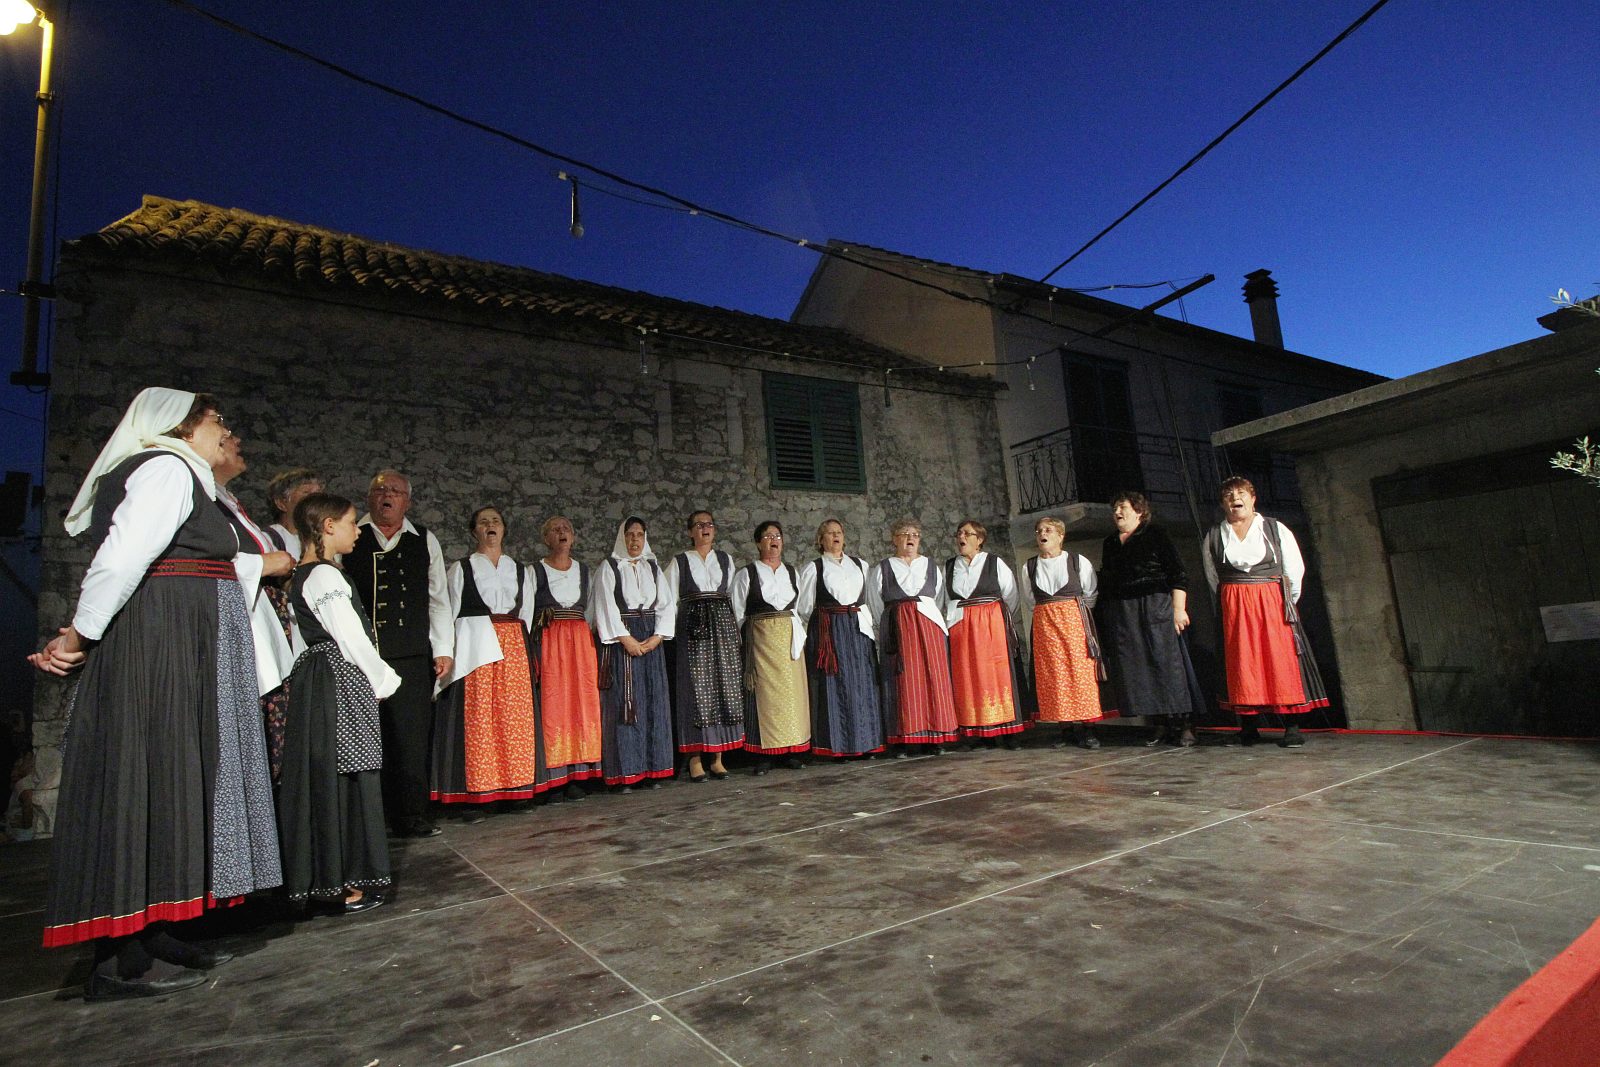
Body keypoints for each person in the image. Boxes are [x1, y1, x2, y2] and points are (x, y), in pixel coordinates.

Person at [29, 388, 280, 1001]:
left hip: (184, 636)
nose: (223, 430)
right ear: (182, 424)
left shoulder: (185, 474)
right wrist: (83, 633)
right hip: (160, 640)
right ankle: (119, 958)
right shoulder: (166, 468)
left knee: (173, 774)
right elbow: (122, 557)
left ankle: (154, 926)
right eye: (216, 420)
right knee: (143, 772)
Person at [282, 492, 401, 912]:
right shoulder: (324, 577)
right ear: (328, 526)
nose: (357, 530)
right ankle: (342, 882)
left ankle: (336, 878)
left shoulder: (311, 574)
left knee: (339, 773)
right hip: (338, 678)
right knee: (345, 775)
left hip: (322, 677)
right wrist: (383, 678)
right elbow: (350, 637)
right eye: (352, 523)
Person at [344, 469, 454, 838]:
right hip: (363, 658)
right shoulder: (352, 537)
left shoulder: (424, 539)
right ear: (369, 497)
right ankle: (372, 820)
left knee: (410, 738)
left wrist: (443, 649)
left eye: (394, 491)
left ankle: (412, 815)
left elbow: (439, 599)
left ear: (407, 499)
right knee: (369, 739)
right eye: (379, 490)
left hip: (410, 655)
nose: (386, 496)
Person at [431, 507, 544, 820]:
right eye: (483, 522)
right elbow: (448, 614)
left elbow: (528, 613)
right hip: (476, 645)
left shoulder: (521, 571)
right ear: (474, 531)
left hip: (513, 646)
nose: (490, 526)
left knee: (514, 719)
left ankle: (516, 788)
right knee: (481, 719)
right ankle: (481, 793)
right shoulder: (462, 569)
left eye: (495, 521)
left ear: (504, 529)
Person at [1203, 476, 1329, 748]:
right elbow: (1212, 577)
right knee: (1242, 663)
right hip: (1235, 605)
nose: (1235, 498)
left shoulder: (1274, 529)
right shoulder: (1214, 535)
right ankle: (1249, 728)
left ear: (1252, 497)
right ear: (1223, 503)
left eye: (1241, 493)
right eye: (1228, 494)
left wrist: (1286, 602)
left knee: (1278, 659)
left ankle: (1292, 727)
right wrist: (1229, 603)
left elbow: (1294, 568)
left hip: (1271, 602)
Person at [212, 431, 297, 780]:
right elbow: (203, 565)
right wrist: (264, 565)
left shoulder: (226, 500)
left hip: (266, 626)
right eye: (220, 430)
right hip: (241, 625)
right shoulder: (202, 500)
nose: (234, 438)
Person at [1098, 491, 1206, 747]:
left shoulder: (1155, 534)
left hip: (1156, 604)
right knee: (1138, 667)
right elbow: (1109, 582)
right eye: (1115, 508)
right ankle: (1158, 723)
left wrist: (1179, 609)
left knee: (1167, 664)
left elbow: (1178, 574)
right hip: (1125, 610)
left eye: (1122, 507)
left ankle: (1183, 723)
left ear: (1139, 511)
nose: (1117, 512)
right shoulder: (1111, 543)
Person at [591, 517, 676, 792]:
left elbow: (665, 604)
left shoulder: (652, 567)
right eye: (630, 535)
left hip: (650, 635)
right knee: (626, 704)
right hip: (622, 639)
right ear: (621, 538)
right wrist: (626, 640)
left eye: (639, 535)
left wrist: (656, 637)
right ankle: (626, 773)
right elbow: (606, 605)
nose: (635, 540)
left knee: (653, 701)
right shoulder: (610, 568)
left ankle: (654, 769)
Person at [662, 510, 745, 781]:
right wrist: (676, 634)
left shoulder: (725, 559)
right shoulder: (679, 562)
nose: (705, 529)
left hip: (721, 624)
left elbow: (733, 596)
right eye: (698, 525)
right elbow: (669, 600)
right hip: (694, 626)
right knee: (696, 691)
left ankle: (718, 758)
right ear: (690, 532)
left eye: (709, 524)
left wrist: (735, 631)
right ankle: (695, 758)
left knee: (724, 687)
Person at [867, 519, 959, 753]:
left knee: (933, 678)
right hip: (899, 627)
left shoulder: (930, 566)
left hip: (928, 626)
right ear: (894, 539)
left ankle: (935, 736)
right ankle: (903, 738)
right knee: (902, 680)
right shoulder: (884, 568)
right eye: (904, 534)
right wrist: (894, 620)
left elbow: (936, 600)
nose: (910, 538)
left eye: (915, 534)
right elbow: (876, 604)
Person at [796, 518, 885, 759]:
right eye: (829, 533)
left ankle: (867, 743)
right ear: (820, 540)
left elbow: (868, 598)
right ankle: (838, 745)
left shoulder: (861, 565)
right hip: (830, 629)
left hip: (856, 627)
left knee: (862, 681)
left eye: (839, 532)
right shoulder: (814, 568)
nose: (835, 536)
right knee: (835, 684)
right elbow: (805, 606)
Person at [530, 516, 603, 799]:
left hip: (580, 645)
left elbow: (593, 613)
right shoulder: (535, 571)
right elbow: (526, 612)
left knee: (582, 705)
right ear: (545, 538)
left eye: (566, 530)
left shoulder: (585, 572)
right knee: (553, 705)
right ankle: (554, 777)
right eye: (555, 530)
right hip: (550, 642)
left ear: (573, 538)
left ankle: (578, 774)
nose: (562, 533)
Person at [731, 520, 811, 774]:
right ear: (758, 543)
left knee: (792, 695)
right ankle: (764, 755)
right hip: (762, 640)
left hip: (788, 638)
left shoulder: (791, 572)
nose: (773, 541)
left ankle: (792, 750)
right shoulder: (747, 574)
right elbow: (738, 612)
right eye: (767, 537)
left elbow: (798, 608)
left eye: (777, 536)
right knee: (764, 695)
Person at [1020, 516, 1106, 748]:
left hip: (1074, 622)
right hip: (1045, 623)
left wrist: (1074, 616)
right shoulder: (1029, 567)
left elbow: (1091, 593)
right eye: (1038, 530)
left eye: (1048, 530)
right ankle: (1065, 728)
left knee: (1080, 673)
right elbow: (1030, 600)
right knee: (1054, 674)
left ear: (1060, 535)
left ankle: (1089, 728)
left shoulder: (1078, 561)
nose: (1042, 534)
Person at [942, 519, 1025, 749]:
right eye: (959, 533)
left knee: (997, 675)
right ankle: (979, 733)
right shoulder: (950, 566)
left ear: (979, 540)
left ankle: (1008, 732)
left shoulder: (993, 563)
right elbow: (945, 599)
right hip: (961, 627)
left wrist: (993, 618)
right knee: (968, 677)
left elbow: (1011, 596)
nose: (962, 537)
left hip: (990, 626)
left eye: (968, 534)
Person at [264, 466, 322, 558]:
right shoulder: (268, 539)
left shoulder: (322, 539)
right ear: (281, 503)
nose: (317, 498)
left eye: (319, 493)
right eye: (306, 492)